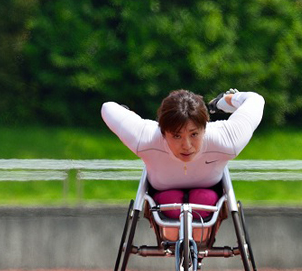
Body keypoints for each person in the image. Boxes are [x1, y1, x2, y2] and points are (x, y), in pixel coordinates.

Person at [101, 89, 264, 222]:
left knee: (203, 199)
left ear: (205, 129)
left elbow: (255, 100)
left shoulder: (227, 139)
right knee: (171, 201)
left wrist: (228, 99)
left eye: (194, 134)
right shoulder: (146, 137)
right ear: (163, 133)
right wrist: (128, 117)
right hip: (163, 196)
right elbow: (108, 108)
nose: (186, 146)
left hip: (208, 194)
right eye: (176, 136)